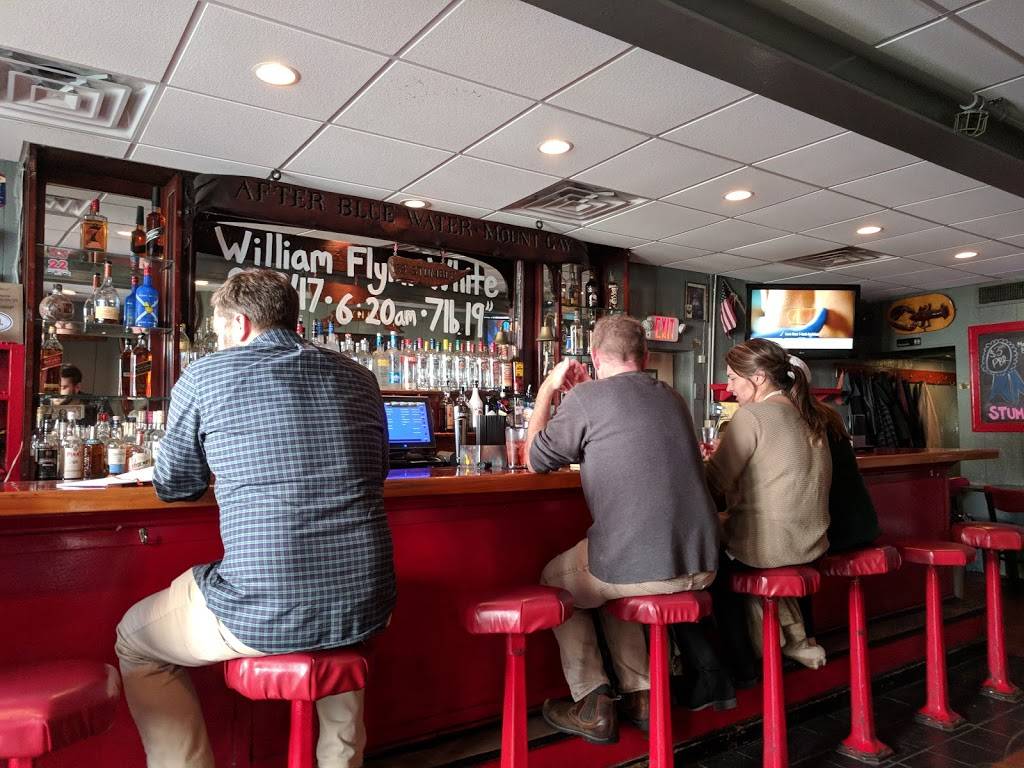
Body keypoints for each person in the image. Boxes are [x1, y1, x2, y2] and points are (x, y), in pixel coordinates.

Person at [115, 269, 395, 768]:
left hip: (264, 609)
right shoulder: (360, 376)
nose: (219, 341)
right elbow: (377, 470)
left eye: (220, 330)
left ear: (240, 324)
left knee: (134, 640)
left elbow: (175, 485)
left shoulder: (205, 375)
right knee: (341, 618)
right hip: (368, 598)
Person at [526, 314, 719, 744]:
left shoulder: (586, 397)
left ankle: (591, 701)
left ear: (594, 357)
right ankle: (641, 695)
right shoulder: (672, 396)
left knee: (557, 580)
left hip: (644, 565)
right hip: (703, 563)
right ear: (645, 356)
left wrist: (547, 391)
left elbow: (534, 459)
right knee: (614, 579)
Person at [684, 339, 832, 690]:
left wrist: (691, 460)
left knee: (703, 564)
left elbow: (713, 483)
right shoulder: (810, 414)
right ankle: (793, 639)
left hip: (770, 548)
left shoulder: (752, 416)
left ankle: (740, 669)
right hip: (812, 543)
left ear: (760, 378)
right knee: (728, 537)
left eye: (734, 378)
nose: (729, 388)